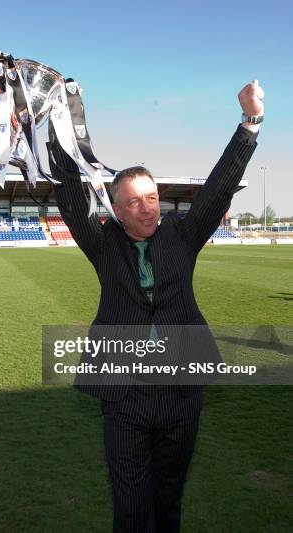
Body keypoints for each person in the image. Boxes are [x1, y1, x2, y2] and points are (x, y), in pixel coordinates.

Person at [49, 80, 263, 532]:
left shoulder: (182, 236)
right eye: (134, 202)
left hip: (181, 394)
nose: (148, 209)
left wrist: (249, 123)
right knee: (130, 506)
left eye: (152, 198)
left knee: (168, 500)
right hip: (123, 396)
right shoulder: (102, 243)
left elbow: (218, 188)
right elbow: (69, 191)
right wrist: (55, 125)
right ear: (116, 210)